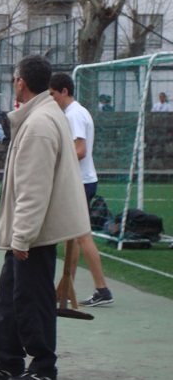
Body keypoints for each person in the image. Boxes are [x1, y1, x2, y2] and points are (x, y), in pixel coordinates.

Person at [0, 55, 90, 380]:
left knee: (32, 300)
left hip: (34, 235)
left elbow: (34, 189)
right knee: (9, 298)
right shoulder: (39, 116)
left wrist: (22, 237)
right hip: (27, 233)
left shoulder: (39, 123)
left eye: (14, 78)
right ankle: (8, 362)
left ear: (20, 82)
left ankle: (43, 367)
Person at [49, 73, 114, 307]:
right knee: (72, 237)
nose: (52, 99)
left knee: (81, 235)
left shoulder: (74, 114)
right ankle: (67, 286)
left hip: (81, 181)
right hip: (81, 180)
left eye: (53, 94)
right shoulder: (73, 112)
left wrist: (54, 162)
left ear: (64, 91)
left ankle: (102, 289)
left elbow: (80, 150)